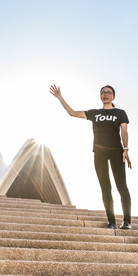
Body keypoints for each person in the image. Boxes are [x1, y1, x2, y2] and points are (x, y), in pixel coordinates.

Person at [50, 84, 132, 229]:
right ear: (100, 96)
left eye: (108, 92)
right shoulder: (94, 113)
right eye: (103, 92)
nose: (105, 94)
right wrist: (60, 97)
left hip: (116, 151)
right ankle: (112, 222)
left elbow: (124, 132)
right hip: (99, 153)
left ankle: (127, 222)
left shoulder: (120, 113)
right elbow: (72, 113)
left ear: (113, 96)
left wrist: (125, 149)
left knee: (122, 186)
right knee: (105, 188)